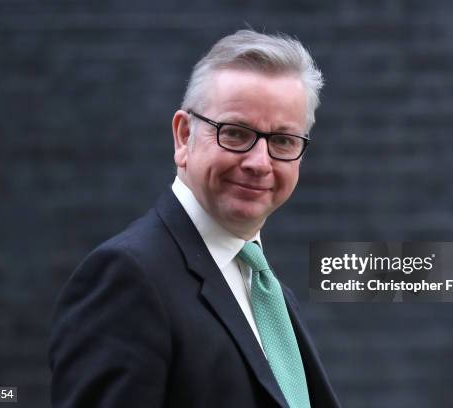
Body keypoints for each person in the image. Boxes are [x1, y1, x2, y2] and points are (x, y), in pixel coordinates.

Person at [48, 29, 341, 408]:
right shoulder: (126, 279)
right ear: (184, 136)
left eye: (283, 141)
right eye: (235, 134)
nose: (259, 163)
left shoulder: (264, 289)